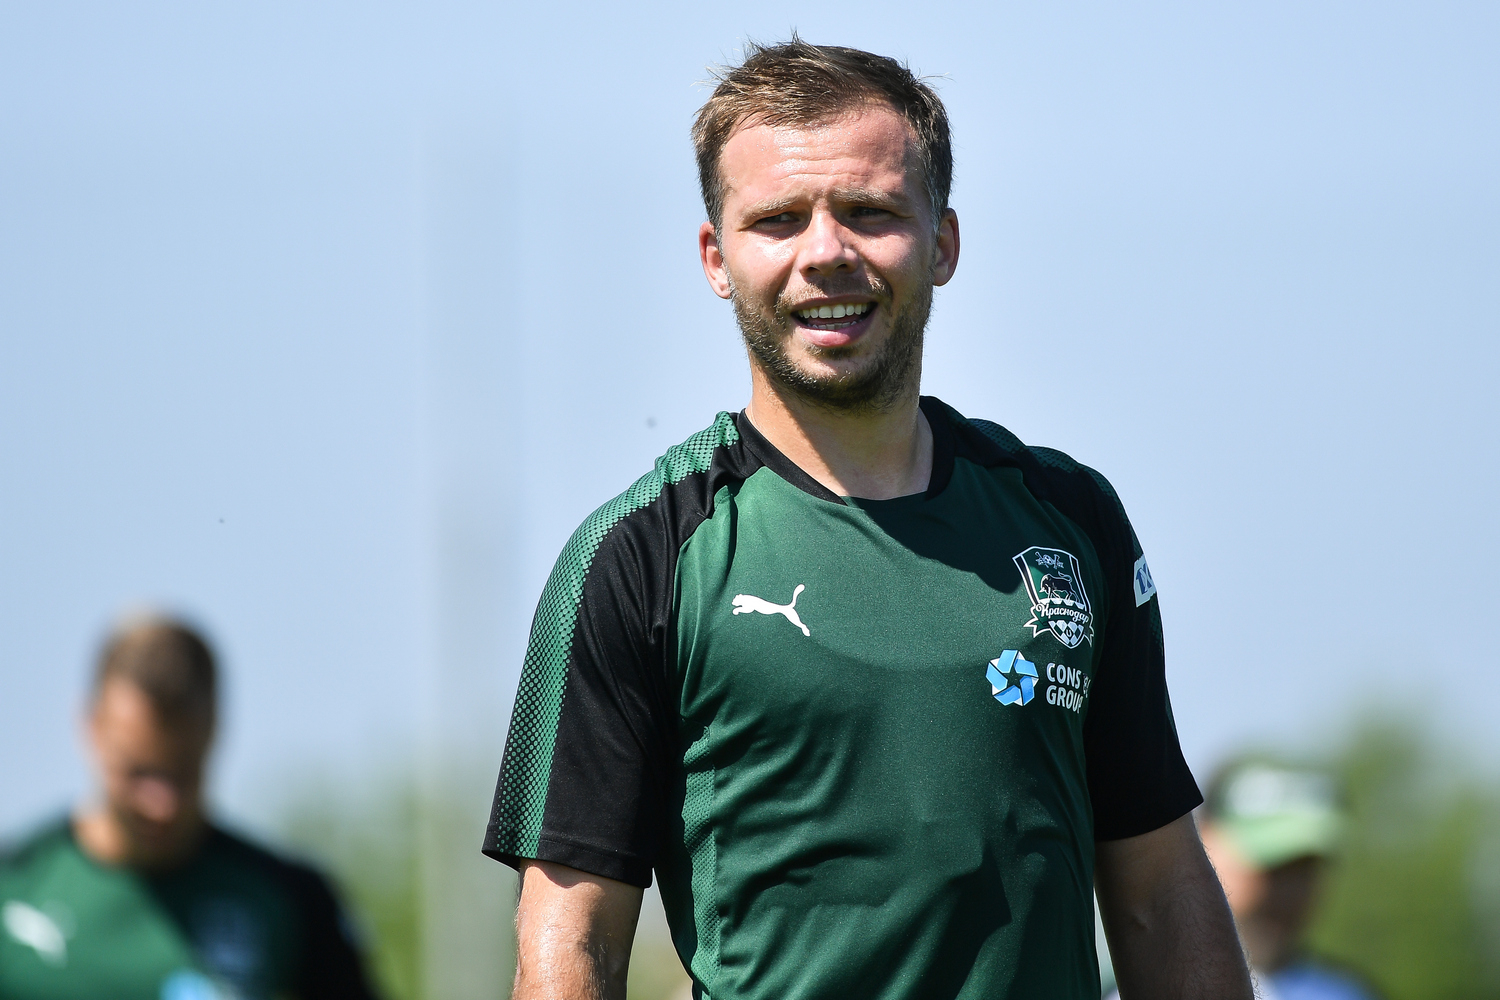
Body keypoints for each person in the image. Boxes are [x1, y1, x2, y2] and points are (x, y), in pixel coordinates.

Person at [483, 38, 1253, 1000]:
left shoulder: (1070, 521)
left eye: (870, 212)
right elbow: (571, 943)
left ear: (943, 243)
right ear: (717, 258)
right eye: (777, 220)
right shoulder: (639, 557)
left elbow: (1161, 897)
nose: (825, 253)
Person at [0, 615, 381, 1000]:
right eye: (139, 774)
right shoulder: (14, 886)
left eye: (180, 775)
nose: (161, 806)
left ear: (213, 730)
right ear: (91, 727)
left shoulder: (289, 897)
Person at [1198, 761, 1379, 1000]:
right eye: (1271, 864)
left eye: (1306, 867)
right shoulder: (1156, 983)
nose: (1288, 892)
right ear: (1201, 841)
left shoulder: (1347, 993)